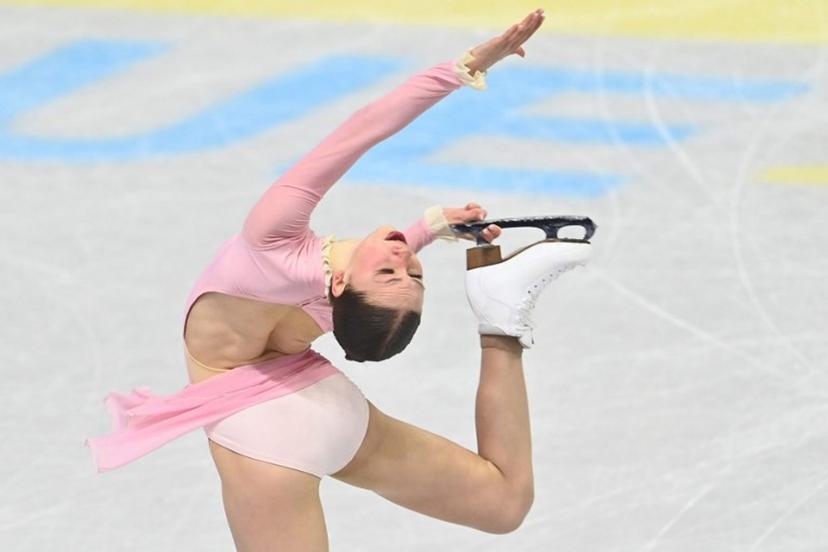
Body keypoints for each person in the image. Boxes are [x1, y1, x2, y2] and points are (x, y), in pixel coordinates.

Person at [88, 8, 593, 550]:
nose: (400, 254)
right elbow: (366, 282)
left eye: (395, 268)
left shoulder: (276, 240)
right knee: (503, 501)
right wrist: (425, 228)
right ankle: (500, 322)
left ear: (338, 290)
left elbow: (361, 131)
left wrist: (462, 68)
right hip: (326, 407)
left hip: (265, 438)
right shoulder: (348, 301)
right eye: (410, 270)